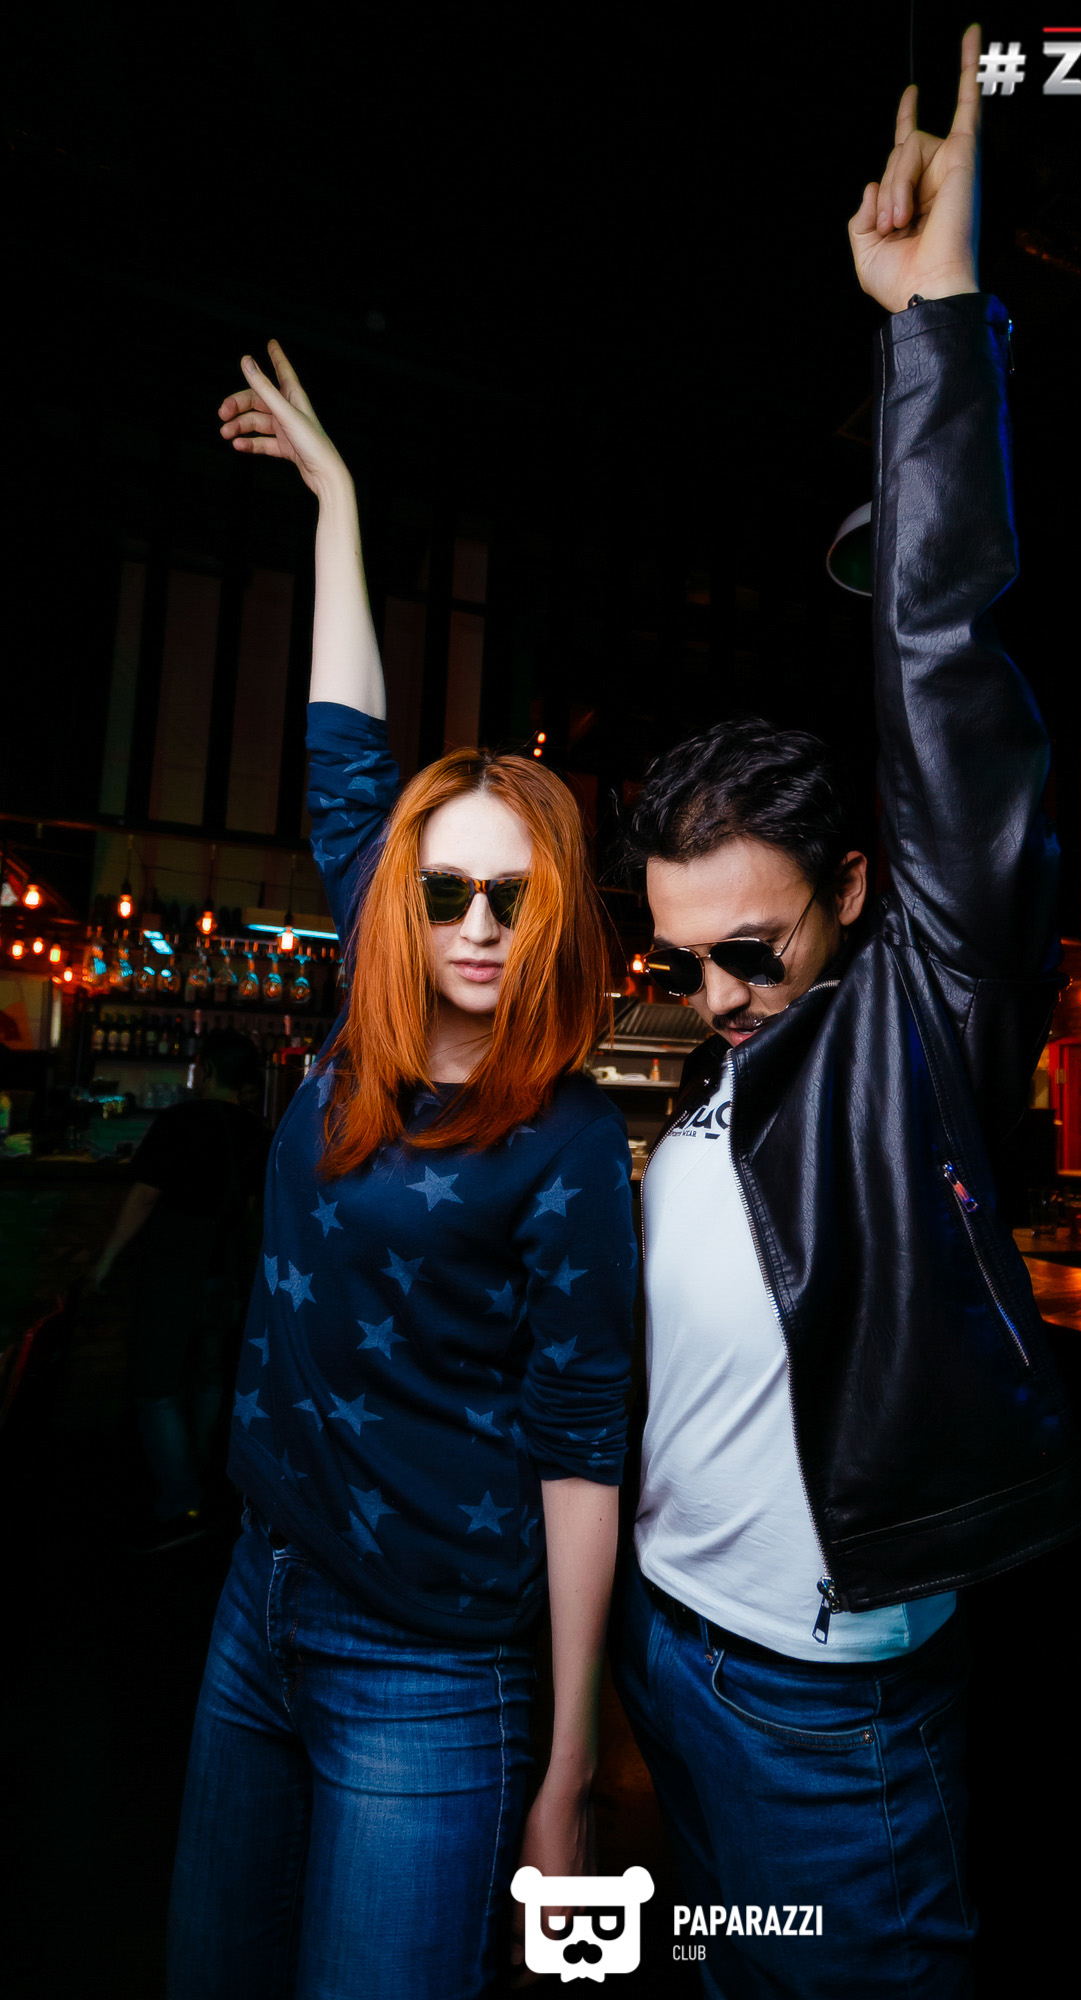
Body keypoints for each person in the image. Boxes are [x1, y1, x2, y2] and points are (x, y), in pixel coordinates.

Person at [612, 32, 1081, 1998]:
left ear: (863, 896)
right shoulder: (715, 1089)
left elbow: (939, 651)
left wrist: (930, 329)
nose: (717, 997)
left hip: (829, 1719)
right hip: (673, 1661)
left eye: (753, 950)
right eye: (679, 960)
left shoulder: (915, 1031)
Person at [165, 346, 637, 2000]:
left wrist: (571, 1767)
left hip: (432, 1669)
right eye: (445, 893)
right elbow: (348, 747)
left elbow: (584, 1451)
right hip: (262, 1595)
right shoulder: (370, 997)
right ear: (402, 902)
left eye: (513, 897)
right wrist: (340, 500)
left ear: (552, 911)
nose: (477, 926)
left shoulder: (567, 1145)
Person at [91, 1028, 270, 1550]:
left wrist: (105, 1261)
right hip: (226, 1273)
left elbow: (145, 1197)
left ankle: (180, 1499)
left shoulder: (179, 1121)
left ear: (206, 1070)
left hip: (174, 1271)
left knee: (157, 1387)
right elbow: (255, 1212)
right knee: (210, 1377)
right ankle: (200, 1479)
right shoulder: (259, 1132)